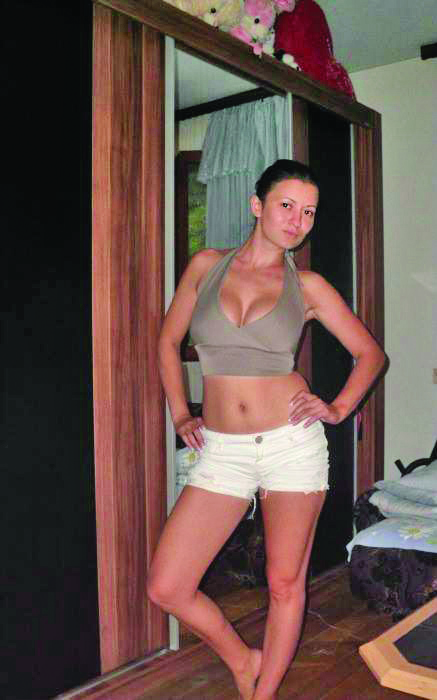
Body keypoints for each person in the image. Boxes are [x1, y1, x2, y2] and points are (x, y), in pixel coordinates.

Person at [147, 159, 385, 700]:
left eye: (309, 212)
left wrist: (338, 407)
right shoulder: (206, 266)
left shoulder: (309, 286)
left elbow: (370, 353)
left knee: (284, 582)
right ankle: (243, 658)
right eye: (287, 206)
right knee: (167, 586)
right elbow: (167, 341)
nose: (298, 221)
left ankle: (264, 693)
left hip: (290, 445)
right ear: (257, 205)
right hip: (222, 451)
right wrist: (180, 413)